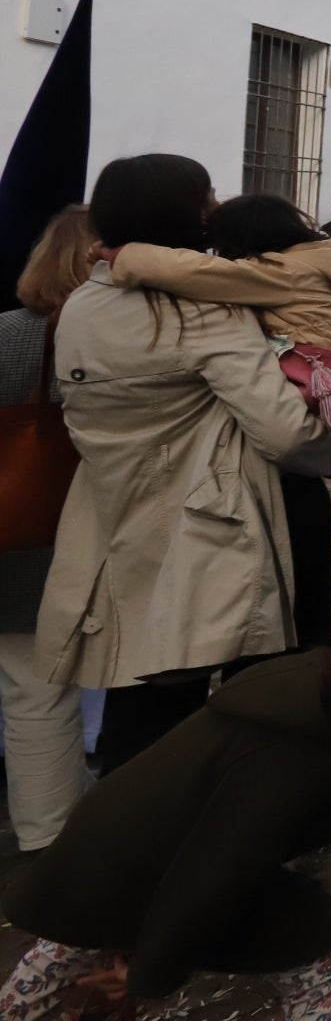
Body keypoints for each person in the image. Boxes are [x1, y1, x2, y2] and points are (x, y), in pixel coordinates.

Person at [0, 600, 331, 1020]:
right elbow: (218, 865)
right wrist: (149, 972)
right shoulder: (312, 745)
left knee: (79, 936)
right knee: (330, 958)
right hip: (145, 862)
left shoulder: (323, 678)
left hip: (113, 848)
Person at [42, 154, 331, 776]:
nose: (213, 212)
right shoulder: (203, 309)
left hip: (116, 516)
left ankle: (132, 842)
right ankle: (249, 846)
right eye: (204, 200)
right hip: (221, 519)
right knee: (265, 694)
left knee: (145, 700)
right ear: (181, 215)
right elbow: (285, 433)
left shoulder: (80, 307)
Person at [113, 192, 331, 652]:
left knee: (290, 602)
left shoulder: (281, 271)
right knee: (308, 601)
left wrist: (123, 256)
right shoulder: (319, 257)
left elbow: (201, 274)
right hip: (327, 385)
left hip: (305, 387)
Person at [0, 206, 99, 850]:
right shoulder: (91, 336)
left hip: (9, 525)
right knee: (41, 692)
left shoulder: (5, 331)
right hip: (57, 533)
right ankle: (49, 836)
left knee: (27, 685)